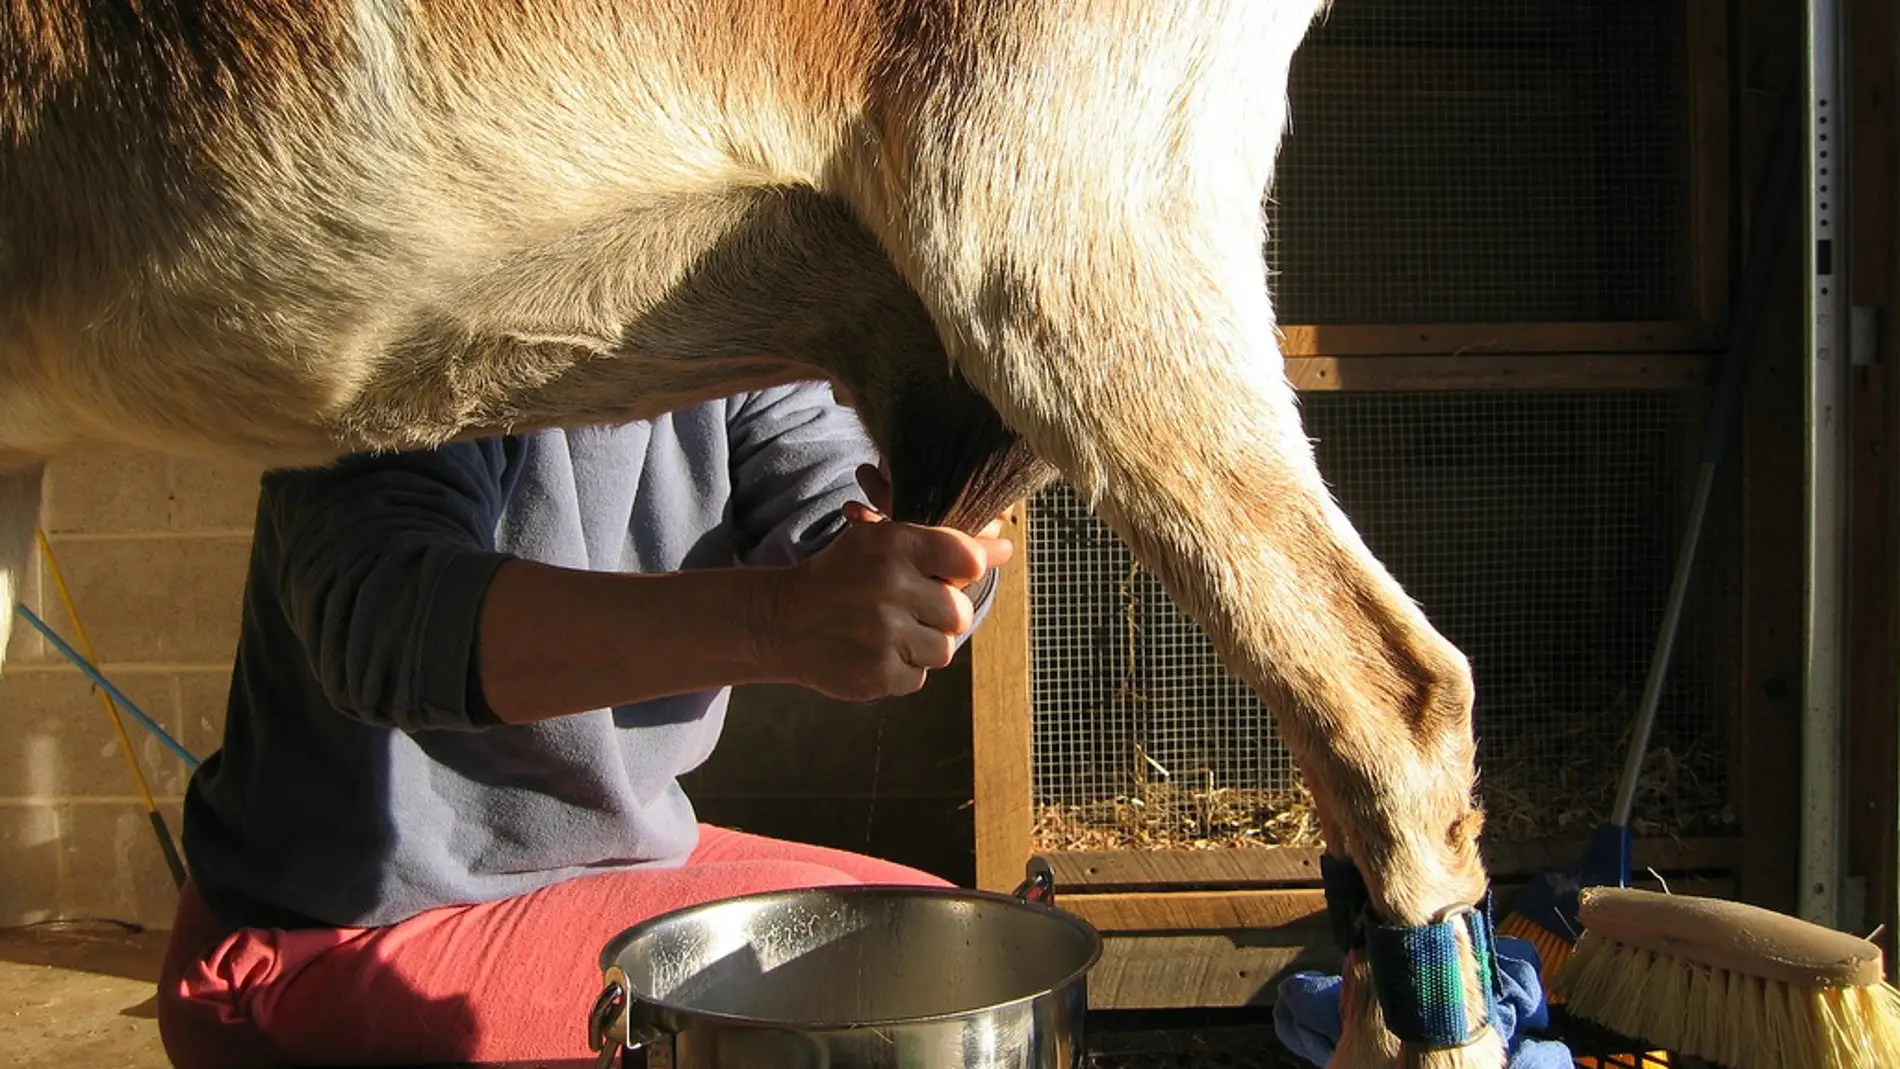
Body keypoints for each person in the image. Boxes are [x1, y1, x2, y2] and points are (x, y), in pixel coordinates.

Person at [154, 381, 1014, 1068]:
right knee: (907, 1013)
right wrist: (776, 621)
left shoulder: (728, 323)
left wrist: (932, 561)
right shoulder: (429, 282)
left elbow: (836, 500)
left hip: (597, 863)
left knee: (972, 957)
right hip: (324, 937)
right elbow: (379, 615)